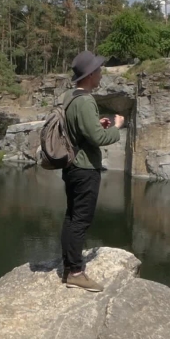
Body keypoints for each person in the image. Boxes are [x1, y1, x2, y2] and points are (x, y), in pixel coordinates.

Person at [60, 51, 124, 292]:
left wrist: (96, 124)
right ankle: (76, 273)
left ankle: (68, 265)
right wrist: (116, 128)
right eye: (98, 71)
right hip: (85, 168)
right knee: (81, 220)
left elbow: (78, 128)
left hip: (71, 166)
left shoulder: (70, 96)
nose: (101, 74)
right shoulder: (86, 101)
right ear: (89, 76)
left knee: (71, 216)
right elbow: (97, 139)